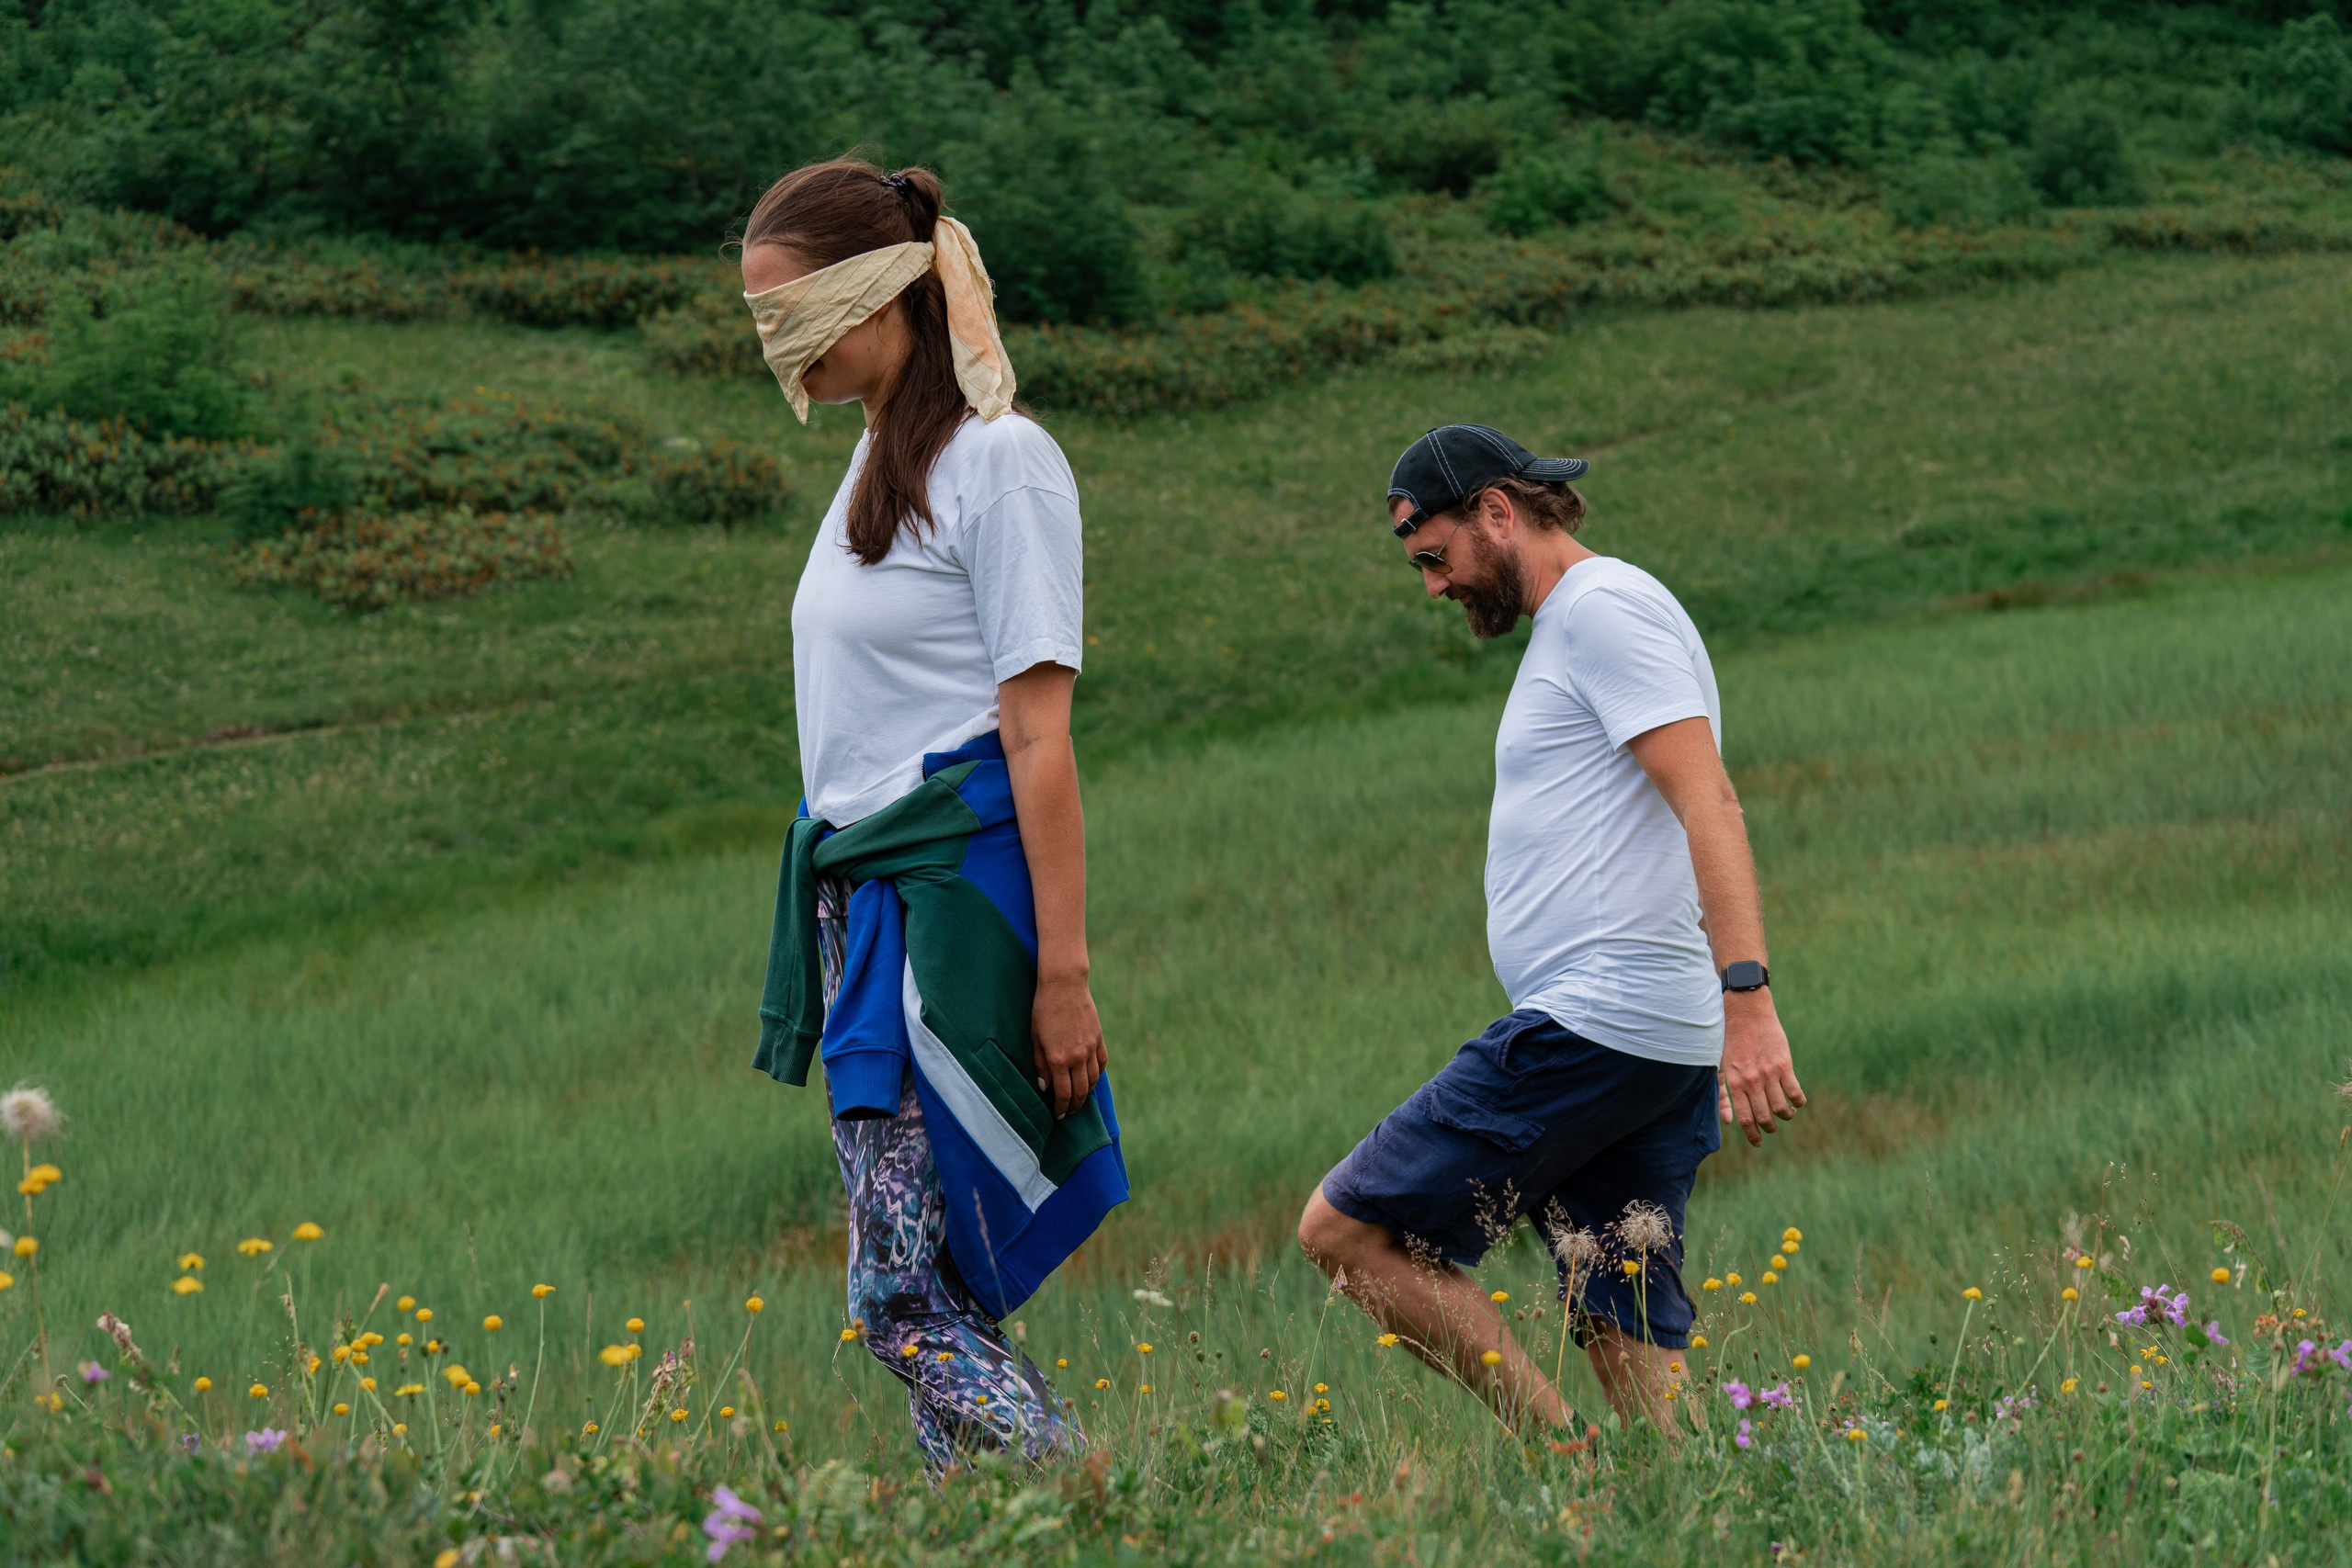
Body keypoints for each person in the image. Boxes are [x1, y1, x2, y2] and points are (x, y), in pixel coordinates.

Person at [1297, 424, 1804, 1435]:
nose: (1433, 587)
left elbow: (1710, 802)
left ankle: (1560, 1460)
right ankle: (1687, 1511)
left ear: (1496, 510)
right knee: (1621, 1332)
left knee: (1346, 1231)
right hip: (1634, 1034)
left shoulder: (1602, 611)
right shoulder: (1581, 624)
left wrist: (1746, 997)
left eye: (1434, 558)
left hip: (1597, 1023)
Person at [742, 158, 1126, 1472]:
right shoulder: (872, 465)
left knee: (897, 1298)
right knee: (931, 1290)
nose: (770, 342)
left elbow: (1037, 731)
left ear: (882, 290)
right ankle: (992, 1524)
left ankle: (1085, 1483)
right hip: (860, 915)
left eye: (789, 310)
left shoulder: (1001, 463)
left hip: (947, 914)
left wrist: (1063, 973)